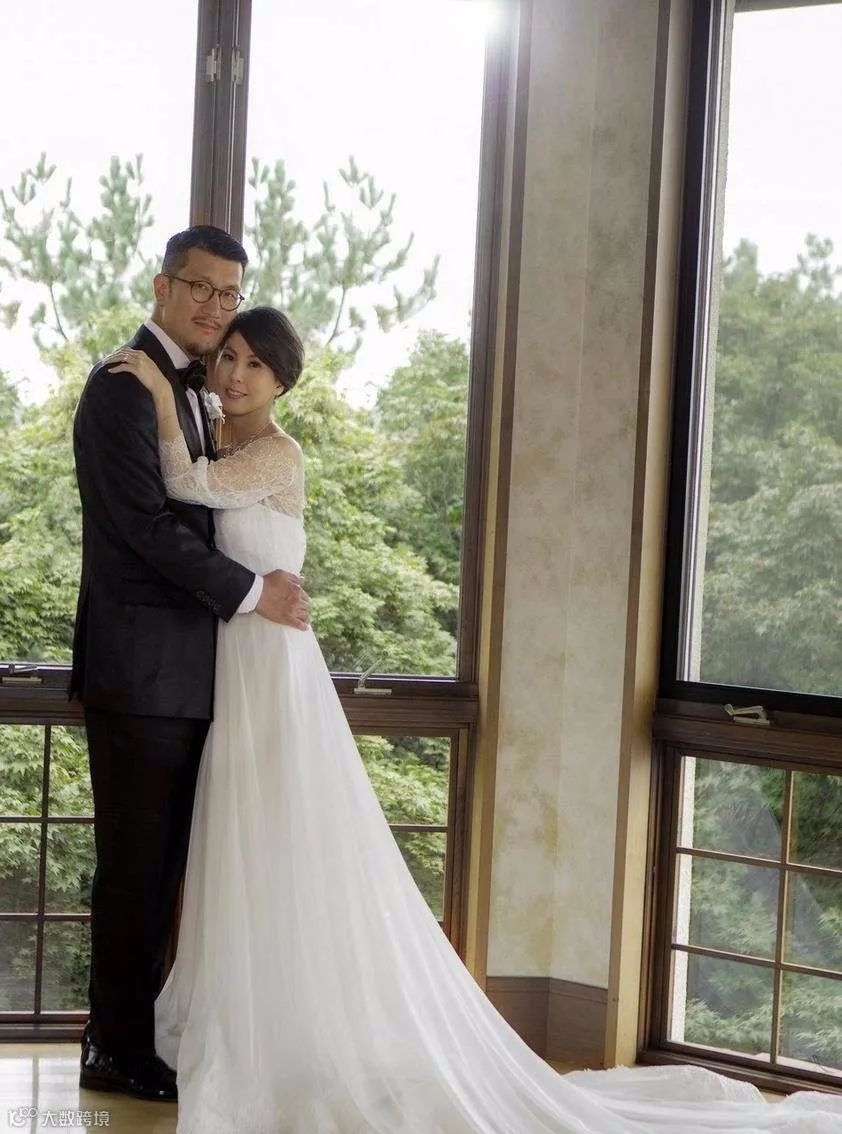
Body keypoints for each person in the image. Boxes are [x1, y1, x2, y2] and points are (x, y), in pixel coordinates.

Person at [110, 308, 841, 1133]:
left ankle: (291, 1034)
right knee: (243, 836)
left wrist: (158, 394)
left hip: (273, 670)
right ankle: (250, 1015)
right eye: (229, 358)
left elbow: (187, 488)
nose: (236, 374)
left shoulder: (278, 453)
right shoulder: (225, 438)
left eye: (255, 364)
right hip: (238, 661)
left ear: (283, 381)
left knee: (281, 836)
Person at [70, 228, 309, 1104]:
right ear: (163, 286)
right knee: (136, 870)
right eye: (199, 287)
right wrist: (252, 592)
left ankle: (149, 1034)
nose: (214, 306)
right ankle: (115, 1048)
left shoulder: (202, 388)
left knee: (172, 870)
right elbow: (145, 527)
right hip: (142, 674)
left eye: (228, 293)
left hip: (201, 675)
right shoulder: (123, 386)